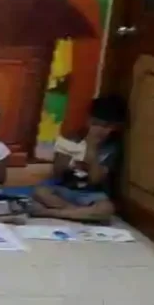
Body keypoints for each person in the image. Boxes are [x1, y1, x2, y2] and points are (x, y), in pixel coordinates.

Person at [33, 94, 126, 223]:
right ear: (88, 121)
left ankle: (54, 213)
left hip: (90, 194)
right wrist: (68, 157)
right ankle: (78, 213)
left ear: (115, 127)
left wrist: (92, 148)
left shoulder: (111, 148)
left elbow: (95, 179)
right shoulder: (71, 139)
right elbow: (57, 172)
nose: (100, 130)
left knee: (106, 209)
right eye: (96, 124)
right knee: (40, 192)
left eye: (107, 126)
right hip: (63, 190)